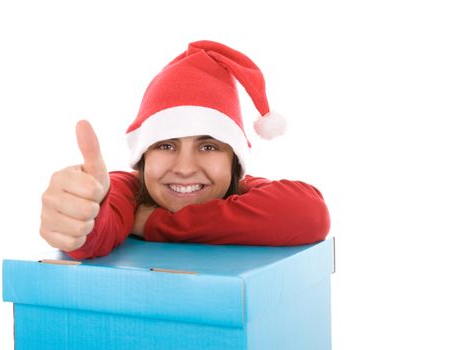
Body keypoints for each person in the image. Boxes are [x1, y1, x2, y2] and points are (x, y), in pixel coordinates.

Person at [40, 40, 331, 260]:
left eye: (208, 146)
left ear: (234, 162)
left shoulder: (243, 193)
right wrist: (81, 220)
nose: (184, 167)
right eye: (166, 145)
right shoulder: (126, 189)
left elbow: (310, 213)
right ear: (142, 159)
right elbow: (99, 231)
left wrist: (155, 222)